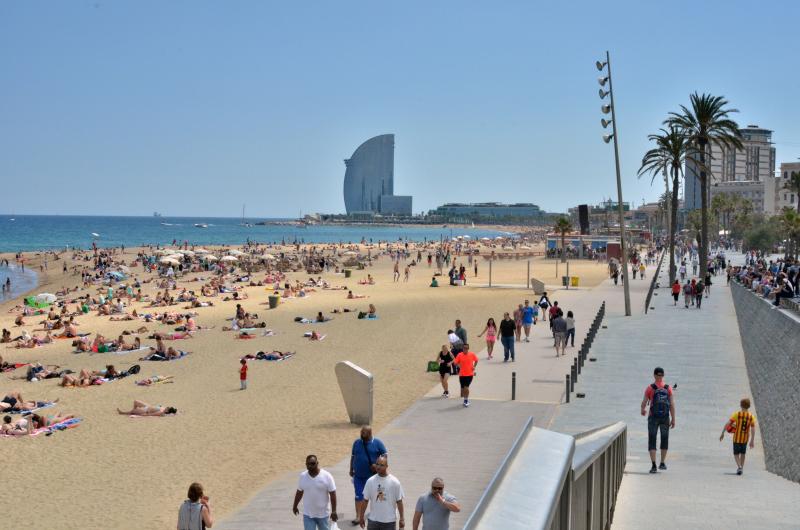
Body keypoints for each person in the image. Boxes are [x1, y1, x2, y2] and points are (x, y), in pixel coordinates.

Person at [350, 426, 388, 526]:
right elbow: (353, 456)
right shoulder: (357, 443)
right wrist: (351, 469)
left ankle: (379, 513)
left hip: (372, 477)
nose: (362, 434)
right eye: (361, 432)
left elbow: (385, 455)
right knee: (358, 495)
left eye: (364, 433)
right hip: (358, 476)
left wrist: (377, 464)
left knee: (377, 495)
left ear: (370, 433)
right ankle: (358, 516)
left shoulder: (377, 443)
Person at [640, 367, 675, 473]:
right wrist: (673, 419)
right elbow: (672, 404)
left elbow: (644, 402)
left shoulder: (650, 388)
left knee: (652, 439)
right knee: (664, 439)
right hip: (665, 417)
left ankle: (654, 465)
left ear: (654, 375)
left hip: (653, 417)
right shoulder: (668, 388)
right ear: (663, 375)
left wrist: (643, 410)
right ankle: (662, 463)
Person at [293, 454, 338, 530]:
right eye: (308, 464)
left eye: (313, 463)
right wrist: (295, 506)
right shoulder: (303, 476)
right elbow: (299, 492)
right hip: (308, 514)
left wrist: (334, 511)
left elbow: (333, 494)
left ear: (317, 463)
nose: (310, 466)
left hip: (323, 515)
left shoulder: (327, 476)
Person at [360, 455, 405, 530]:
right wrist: (361, 517)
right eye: (377, 464)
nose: (378, 467)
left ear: (387, 466)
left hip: (389, 521)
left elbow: (399, 501)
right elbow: (365, 500)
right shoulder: (370, 481)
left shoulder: (395, 482)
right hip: (373, 520)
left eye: (382, 465)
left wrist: (402, 518)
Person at [719, 398, 756, 476]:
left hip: (737, 438)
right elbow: (753, 429)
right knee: (743, 453)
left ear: (741, 405)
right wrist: (752, 440)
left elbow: (728, 423)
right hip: (745, 438)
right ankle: (741, 468)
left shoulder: (737, 414)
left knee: (736, 454)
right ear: (749, 406)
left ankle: (739, 467)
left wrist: (723, 433)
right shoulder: (751, 417)